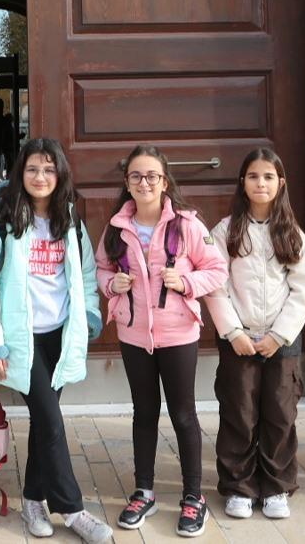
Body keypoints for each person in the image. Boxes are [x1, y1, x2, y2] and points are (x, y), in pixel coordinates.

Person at [0, 138, 112, 544]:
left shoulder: (68, 218)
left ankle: (33, 499)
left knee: (42, 421)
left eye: (49, 169)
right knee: (51, 420)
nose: (40, 177)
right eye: (33, 168)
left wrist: (89, 315)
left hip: (59, 336)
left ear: (60, 174)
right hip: (22, 339)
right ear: (20, 173)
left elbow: (86, 272)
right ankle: (73, 509)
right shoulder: (0, 218)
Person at [94, 145, 227, 537]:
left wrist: (185, 281)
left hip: (178, 334)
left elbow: (216, 269)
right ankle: (144, 491)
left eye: (152, 176)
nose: (144, 183)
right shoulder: (116, 228)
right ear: (127, 182)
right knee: (144, 412)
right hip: (134, 334)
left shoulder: (187, 225)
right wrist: (112, 284)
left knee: (184, 414)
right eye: (136, 176)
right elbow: (101, 268)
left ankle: (193, 497)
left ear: (165, 182)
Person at [205, 148, 305, 522]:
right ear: (243, 182)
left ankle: (276, 486)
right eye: (253, 176)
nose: (261, 183)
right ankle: (239, 486)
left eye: (268, 177)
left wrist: (279, 335)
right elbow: (216, 285)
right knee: (240, 412)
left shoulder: (292, 234)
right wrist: (233, 332)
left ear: (280, 183)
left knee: (280, 414)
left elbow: (303, 289)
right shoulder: (225, 231)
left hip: (280, 343)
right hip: (238, 339)